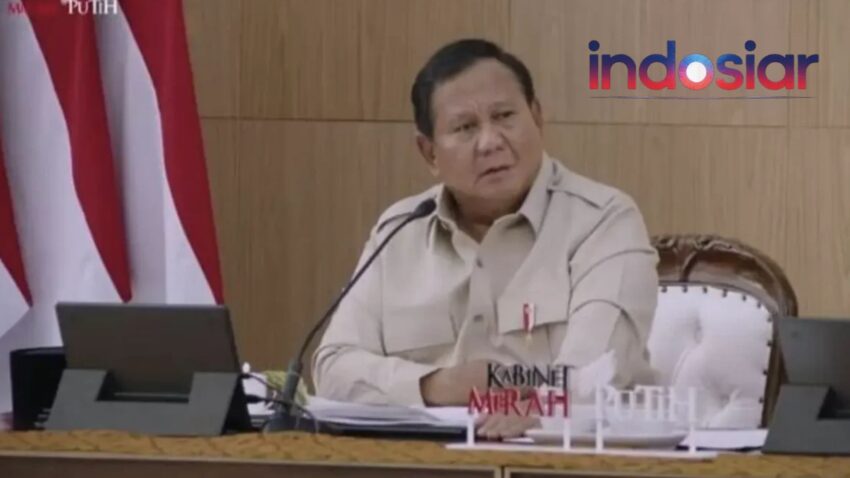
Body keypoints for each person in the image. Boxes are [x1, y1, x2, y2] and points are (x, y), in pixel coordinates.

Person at [312, 38, 658, 439]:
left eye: (505, 116)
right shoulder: (400, 230)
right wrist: (435, 385)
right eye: (465, 127)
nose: (491, 141)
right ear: (429, 153)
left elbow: (596, 371)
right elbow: (333, 369)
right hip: (421, 457)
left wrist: (537, 408)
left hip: (558, 455)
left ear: (537, 118)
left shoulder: (603, 219)